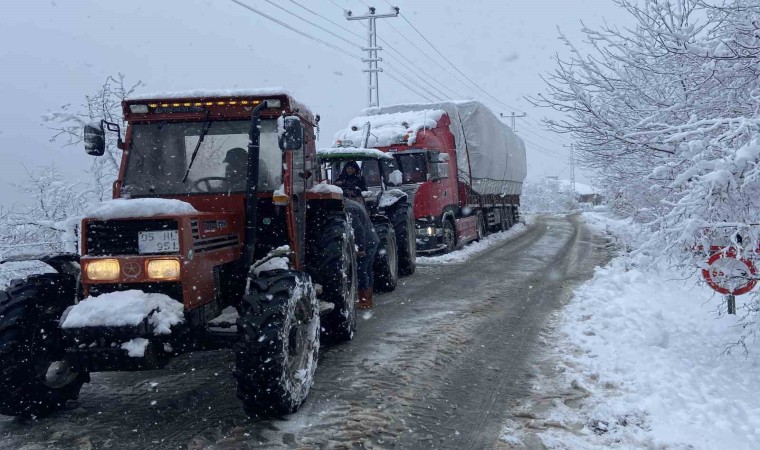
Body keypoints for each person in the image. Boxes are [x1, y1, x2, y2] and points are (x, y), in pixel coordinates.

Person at [343, 188, 379, 309]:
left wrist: (361, 248)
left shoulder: (349, 208)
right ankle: (368, 298)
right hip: (372, 239)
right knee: (367, 269)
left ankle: (364, 299)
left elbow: (358, 230)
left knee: (361, 269)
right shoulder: (353, 204)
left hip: (366, 242)